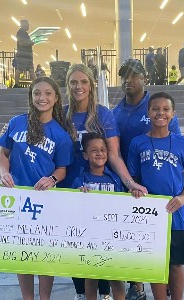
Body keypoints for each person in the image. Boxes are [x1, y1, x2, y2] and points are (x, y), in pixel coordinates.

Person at [57, 63, 147, 300]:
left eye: (84, 82)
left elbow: (114, 155)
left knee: (101, 242)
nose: (79, 87)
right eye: (74, 82)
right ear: (67, 85)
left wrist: (129, 183)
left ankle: (105, 294)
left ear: (92, 85)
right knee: (76, 242)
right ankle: (80, 293)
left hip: (100, 188)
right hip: (71, 186)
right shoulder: (61, 114)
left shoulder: (103, 114)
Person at [0, 76, 73, 300]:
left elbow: (62, 169)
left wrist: (52, 179)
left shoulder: (60, 134)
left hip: (45, 198)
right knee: (22, 252)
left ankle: (44, 298)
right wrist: (5, 173)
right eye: (37, 93)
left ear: (56, 98)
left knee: (44, 252)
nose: (42, 98)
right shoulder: (16, 123)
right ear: (31, 96)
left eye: (48, 93)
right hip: (18, 195)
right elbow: (3, 155)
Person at [112, 59, 181, 300]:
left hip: (158, 187)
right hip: (130, 183)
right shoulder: (116, 112)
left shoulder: (158, 107)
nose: (128, 80)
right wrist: (128, 181)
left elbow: (176, 146)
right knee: (135, 240)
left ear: (145, 78)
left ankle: (164, 284)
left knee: (164, 247)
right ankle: (137, 286)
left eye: (134, 75)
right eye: (124, 76)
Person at [128, 92, 184, 300]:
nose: (161, 113)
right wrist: (135, 188)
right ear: (148, 112)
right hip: (149, 213)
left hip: (176, 212)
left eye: (166, 109)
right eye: (155, 109)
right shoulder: (138, 143)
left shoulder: (182, 143)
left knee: (176, 263)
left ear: (173, 114)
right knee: (155, 262)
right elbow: (133, 176)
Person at [71, 132, 125, 300]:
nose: (99, 153)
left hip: (111, 236)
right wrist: (78, 194)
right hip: (89, 237)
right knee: (91, 276)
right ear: (86, 155)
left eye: (103, 149)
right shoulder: (80, 180)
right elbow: (71, 207)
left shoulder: (115, 180)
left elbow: (123, 206)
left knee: (116, 278)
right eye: (94, 150)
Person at [13, 20, 36, 88]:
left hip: (27, 55)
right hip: (23, 55)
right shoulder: (20, 33)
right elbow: (21, 42)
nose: (29, 26)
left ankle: (35, 84)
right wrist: (30, 43)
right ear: (23, 25)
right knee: (20, 69)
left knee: (31, 70)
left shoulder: (24, 33)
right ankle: (16, 84)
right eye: (27, 25)